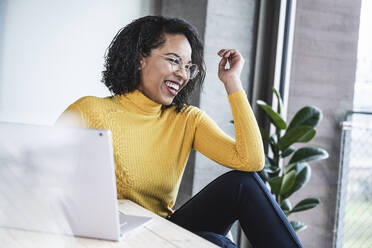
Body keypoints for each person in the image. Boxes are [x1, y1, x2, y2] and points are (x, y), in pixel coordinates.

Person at [56, 15, 303, 248]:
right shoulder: (90, 111)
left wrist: (232, 82)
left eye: (188, 66)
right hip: (112, 238)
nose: (182, 74)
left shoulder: (187, 120)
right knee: (216, 243)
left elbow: (251, 161)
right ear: (140, 58)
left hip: (162, 233)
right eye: (174, 60)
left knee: (243, 184)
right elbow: (43, 183)